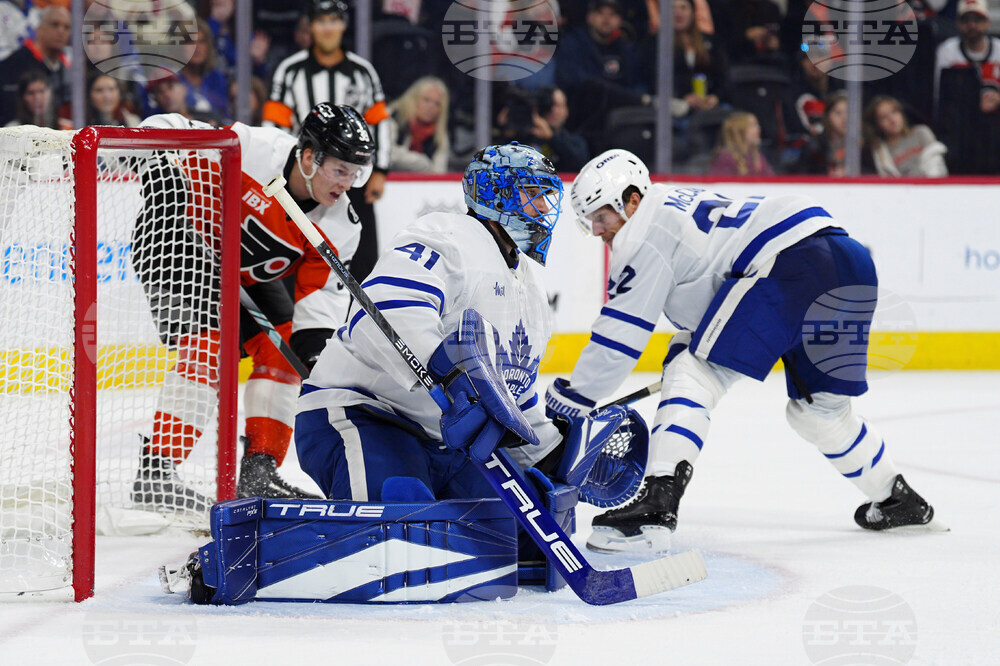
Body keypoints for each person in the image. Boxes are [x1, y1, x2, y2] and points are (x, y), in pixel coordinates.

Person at [545, 149, 939, 552]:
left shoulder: (643, 233)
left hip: (792, 263)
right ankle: (897, 497)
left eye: (601, 216)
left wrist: (571, 398)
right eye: (589, 221)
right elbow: (713, 289)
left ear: (631, 200)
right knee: (819, 414)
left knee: (691, 368)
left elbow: (619, 338)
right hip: (848, 261)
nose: (597, 230)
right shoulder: (672, 205)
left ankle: (655, 510)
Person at [294, 143, 586, 502]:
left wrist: (555, 455)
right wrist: (452, 375)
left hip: (443, 441)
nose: (543, 206)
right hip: (366, 413)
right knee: (402, 515)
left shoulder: (531, 289)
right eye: (531, 194)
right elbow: (385, 310)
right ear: (497, 193)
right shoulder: (447, 235)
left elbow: (516, 397)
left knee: (518, 530)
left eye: (545, 196)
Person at [132, 103, 375, 510]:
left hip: (243, 276)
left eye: (356, 172)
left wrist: (315, 352)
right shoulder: (253, 147)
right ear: (310, 158)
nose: (347, 183)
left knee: (285, 347)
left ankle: (258, 470)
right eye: (340, 170)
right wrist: (161, 174)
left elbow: (319, 302)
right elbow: (163, 124)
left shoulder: (341, 225)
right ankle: (155, 474)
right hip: (178, 242)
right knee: (210, 349)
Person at [265, 0, 391, 283]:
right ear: (310, 26)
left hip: (352, 176)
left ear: (344, 25)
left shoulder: (362, 71)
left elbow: (380, 122)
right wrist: (279, 169)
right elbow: (274, 124)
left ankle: (356, 320)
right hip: (305, 173)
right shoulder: (290, 70)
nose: (328, 28)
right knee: (292, 252)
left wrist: (380, 171)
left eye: (334, 20)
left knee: (362, 258)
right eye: (321, 21)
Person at [0, 4, 70, 126]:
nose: (61, 31)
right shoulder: (13, 65)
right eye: (55, 24)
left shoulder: (67, 69)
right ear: (39, 29)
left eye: (67, 27)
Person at [934, 0, 1000, 109]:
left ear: (987, 22)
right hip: (960, 117)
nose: (972, 25)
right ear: (958, 23)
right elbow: (940, 95)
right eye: (966, 20)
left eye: (977, 19)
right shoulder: (947, 51)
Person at [863, 96, 948, 178]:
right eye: (884, 117)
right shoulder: (880, 152)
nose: (892, 119)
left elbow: (936, 166)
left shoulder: (921, 133)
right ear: (877, 125)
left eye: (894, 112)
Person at [387, 76, 450, 173]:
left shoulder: (439, 137)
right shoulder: (391, 118)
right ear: (414, 99)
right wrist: (420, 162)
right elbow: (386, 153)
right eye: (426, 100)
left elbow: (438, 173)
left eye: (437, 104)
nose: (431, 107)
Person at [707, 111, 773, 175]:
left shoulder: (757, 156)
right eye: (752, 125)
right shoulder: (725, 158)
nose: (758, 128)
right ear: (739, 131)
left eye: (757, 124)